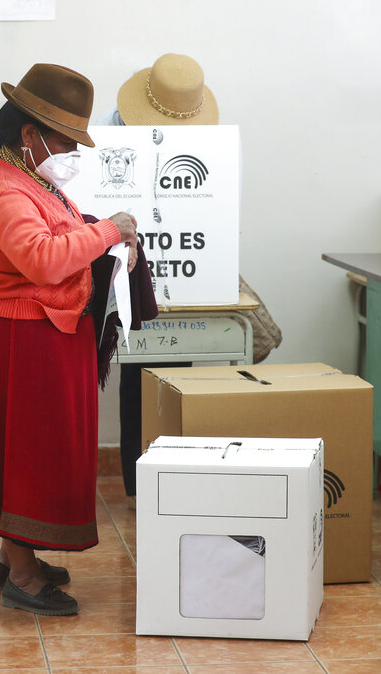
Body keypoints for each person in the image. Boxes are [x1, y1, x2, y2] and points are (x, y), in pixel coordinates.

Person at [0, 63, 138, 616]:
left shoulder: (26, 176)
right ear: (29, 134)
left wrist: (100, 240)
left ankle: (11, 556)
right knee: (28, 453)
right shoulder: (3, 190)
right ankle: (22, 574)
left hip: (34, 331)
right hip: (17, 336)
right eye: (66, 141)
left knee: (29, 450)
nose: (73, 152)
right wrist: (110, 229)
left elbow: (57, 237)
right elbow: (42, 260)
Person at [103, 53, 280, 508]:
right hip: (126, 264)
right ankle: (144, 484)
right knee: (138, 372)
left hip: (181, 269)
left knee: (177, 370)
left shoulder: (208, 146)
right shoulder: (111, 134)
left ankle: (172, 475)